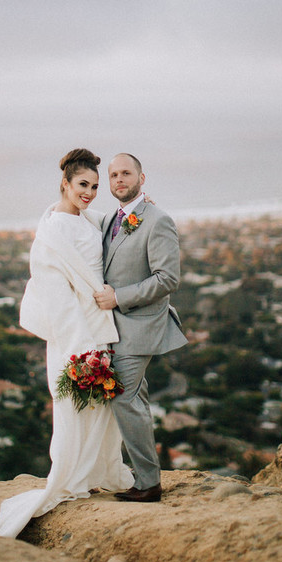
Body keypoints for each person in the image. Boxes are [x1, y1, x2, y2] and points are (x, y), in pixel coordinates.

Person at [0, 148, 133, 538]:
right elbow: (56, 295)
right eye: (82, 185)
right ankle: (71, 478)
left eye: (93, 186)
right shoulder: (52, 231)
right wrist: (81, 347)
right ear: (65, 184)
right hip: (76, 334)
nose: (89, 192)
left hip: (102, 327)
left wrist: (141, 209)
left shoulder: (89, 217)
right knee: (74, 407)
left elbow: (121, 225)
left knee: (104, 411)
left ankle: (99, 472)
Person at [94, 153, 187, 502]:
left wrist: (118, 297)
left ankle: (148, 484)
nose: (119, 180)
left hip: (140, 325)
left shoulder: (158, 220)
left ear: (141, 178)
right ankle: (147, 476)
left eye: (126, 173)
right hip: (112, 328)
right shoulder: (107, 220)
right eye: (114, 175)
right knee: (136, 397)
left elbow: (168, 278)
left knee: (123, 398)